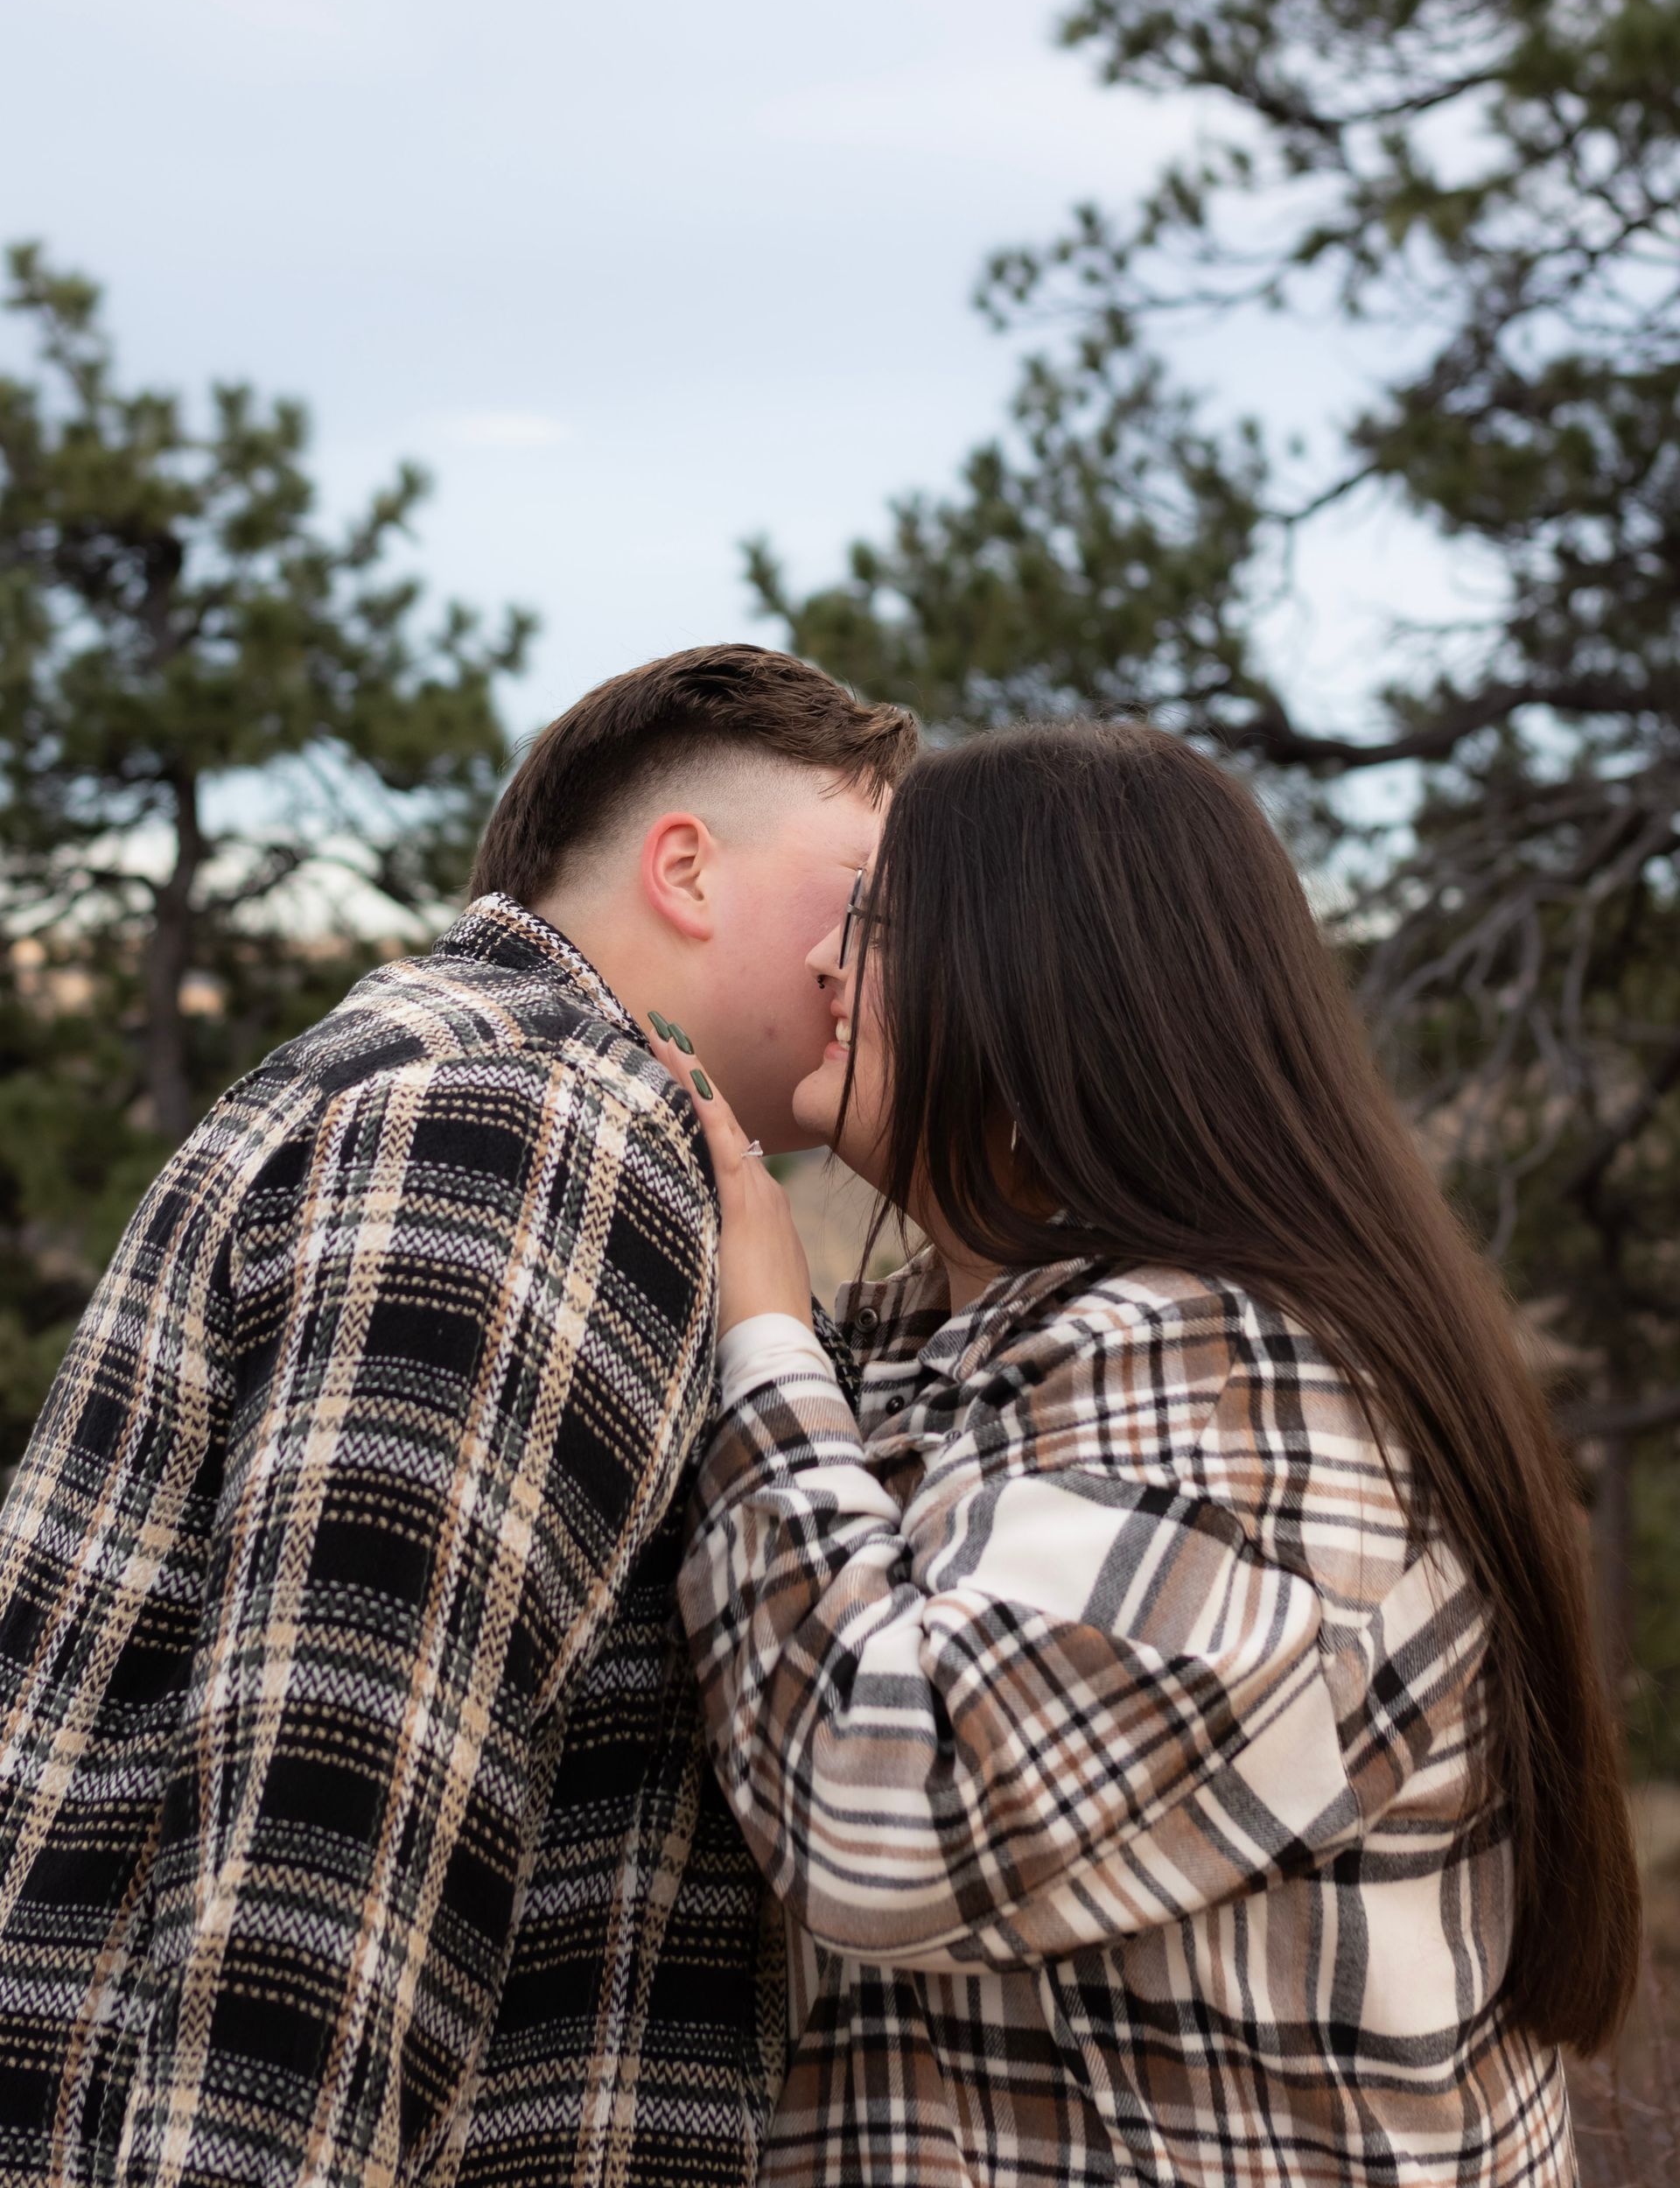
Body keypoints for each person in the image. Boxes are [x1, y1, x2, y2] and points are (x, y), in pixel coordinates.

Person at [652, 720, 1641, 2188]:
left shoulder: (1239, 1379)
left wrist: (765, 1348)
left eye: (880, 920)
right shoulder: (1001, 1352)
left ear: (1051, 978)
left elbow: (885, 1813)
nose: (823, 965)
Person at [0, 644, 915, 2188]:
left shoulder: (419, 1069)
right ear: (685, 868)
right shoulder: (536, 1119)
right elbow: (334, 1815)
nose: (882, 958)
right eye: (864, 895)